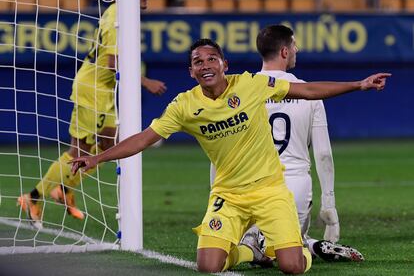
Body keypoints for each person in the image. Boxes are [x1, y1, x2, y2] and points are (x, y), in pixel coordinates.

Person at [70, 35, 389, 273]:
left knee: (292, 266)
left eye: (211, 59)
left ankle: (309, 248)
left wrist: (358, 84)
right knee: (209, 265)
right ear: (191, 71)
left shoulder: (251, 84)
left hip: (270, 190)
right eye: (198, 62)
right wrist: (98, 158)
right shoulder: (184, 106)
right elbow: (144, 138)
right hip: (229, 194)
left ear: (224, 64)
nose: (205, 65)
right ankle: (255, 253)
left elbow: (307, 91)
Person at [17, 0, 167, 229]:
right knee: (85, 152)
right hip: (93, 90)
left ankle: (62, 188)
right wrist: (145, 81)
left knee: (108, 147)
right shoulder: (117, 16)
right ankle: (34, 197)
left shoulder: (122, 14)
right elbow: (111, 62)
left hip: (101, 90)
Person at [210, 24, 364, 262]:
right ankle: (306, 245)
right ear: (284, 51)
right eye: (294, 45)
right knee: (289, 249)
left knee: (245, 246)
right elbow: (323, 155)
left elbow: (221, 153)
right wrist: (329, 205)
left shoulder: (239, 92)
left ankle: (259, 243)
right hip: (295, 190)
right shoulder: (310, 94)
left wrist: (216, 197)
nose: (297, 49)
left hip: (247, 189)